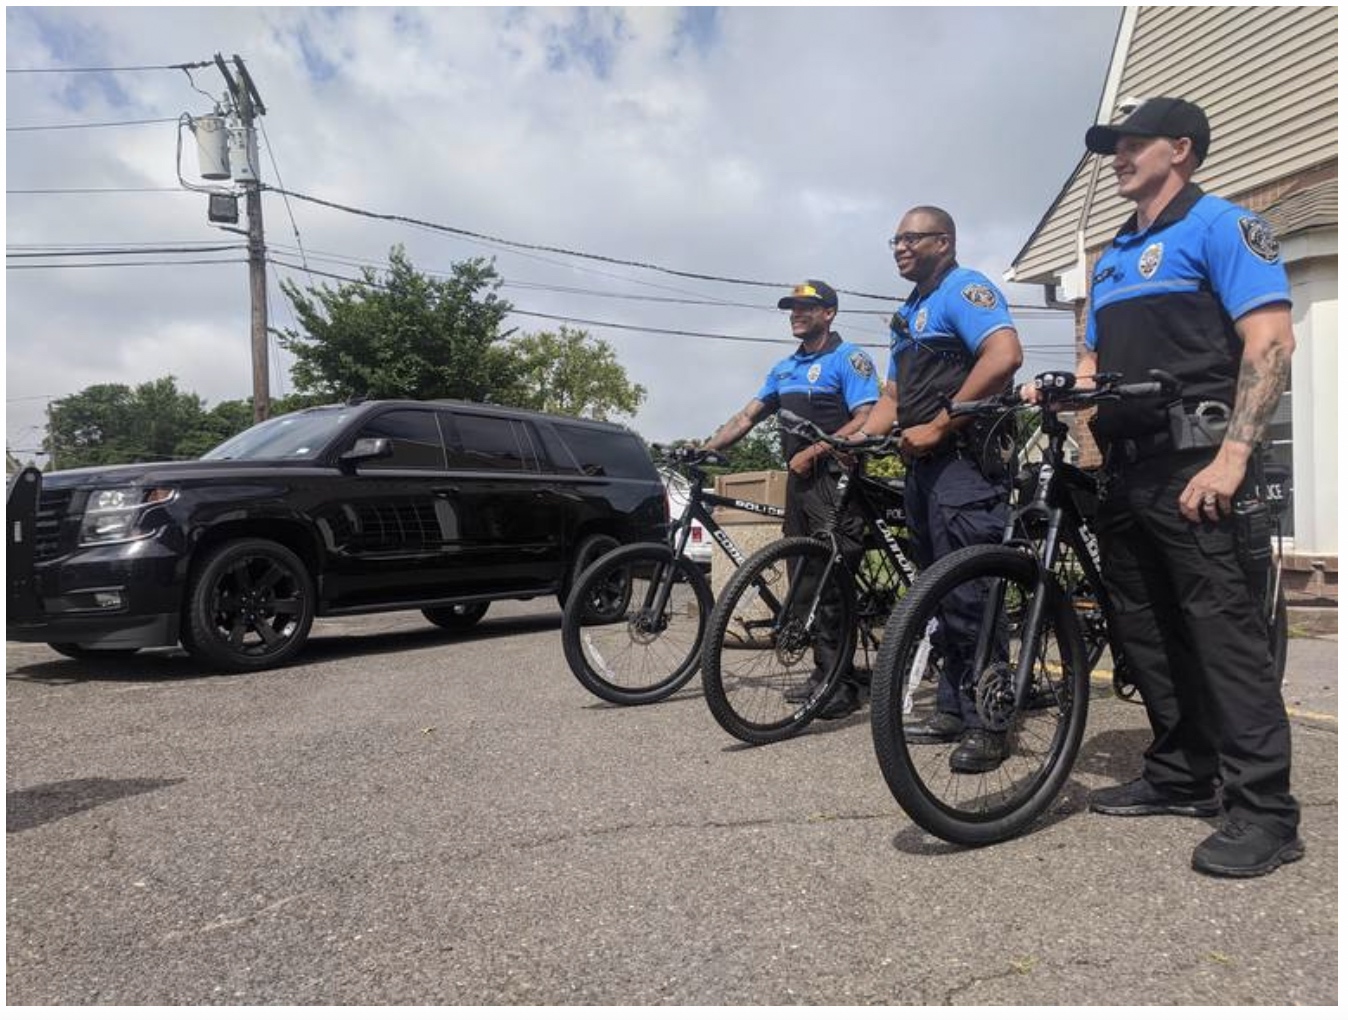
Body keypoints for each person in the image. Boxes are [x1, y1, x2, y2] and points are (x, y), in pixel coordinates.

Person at [1070, 97, 1302, 877]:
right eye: (1114, 146)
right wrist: (1072, 395)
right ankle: (1180, 775)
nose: (1119, 156)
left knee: (1224, 638)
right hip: (1126, 470)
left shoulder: (1222, 226)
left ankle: (1266, 813)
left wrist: (1233, 458)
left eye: (1133, 143)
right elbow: (1094, 359)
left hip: (1198, 462)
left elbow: (1270, 342)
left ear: (1181, 148)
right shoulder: (1112, 255)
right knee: (1150, 633)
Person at [854, 206, 1023, 773]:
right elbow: (892, 399)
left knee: (971, 595)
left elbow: (1004, 356)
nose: (900, 247)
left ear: (943, 242)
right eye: (895, 240)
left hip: (965, 463)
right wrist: (853, 442)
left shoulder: (964, 290)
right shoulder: (908, 312)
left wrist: (942, 423)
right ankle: (953, 706)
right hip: (923, 468)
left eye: (911, 238)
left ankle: (989, 721)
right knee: (939, 595)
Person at [703, 279, 879, 719]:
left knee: (832, 581)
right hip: (799, 485)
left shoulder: (848, 358)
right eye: (792, 309)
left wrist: (816, 451)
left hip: (836, 481)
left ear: (829, 313)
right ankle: (825, 672)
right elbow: (747, 416)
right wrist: (706, 447)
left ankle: (840, 684)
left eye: (806, 307)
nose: (796, 315)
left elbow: (867, 417)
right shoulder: (784, 368)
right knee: (805, 579)